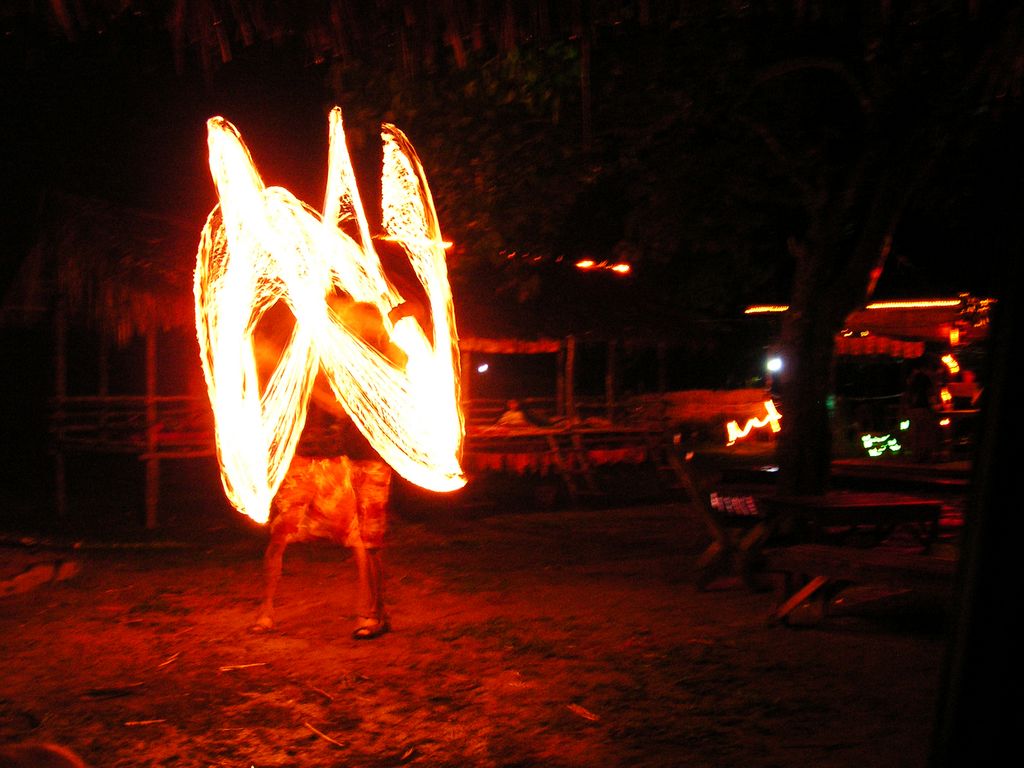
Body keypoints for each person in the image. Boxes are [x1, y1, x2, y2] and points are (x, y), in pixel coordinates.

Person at [253, 295, 407, 640]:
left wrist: (310, 386)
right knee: (296, 535)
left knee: (366, 543)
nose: (347, 326)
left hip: (373, 461)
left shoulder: (388, 361)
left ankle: (372, 615)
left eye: (353, 322)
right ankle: (373, 613)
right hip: (347, 460)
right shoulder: (347, 361)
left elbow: (342, 406)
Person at [904, 356, 938, 463]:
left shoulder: (910, 378)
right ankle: (924, 455)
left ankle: (916, 454)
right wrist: (934, 405)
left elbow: (908, 394)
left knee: (915, 432)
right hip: (923, 407)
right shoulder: (924, 378)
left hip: (912, 409)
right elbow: (930, 393)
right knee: (925, 432)